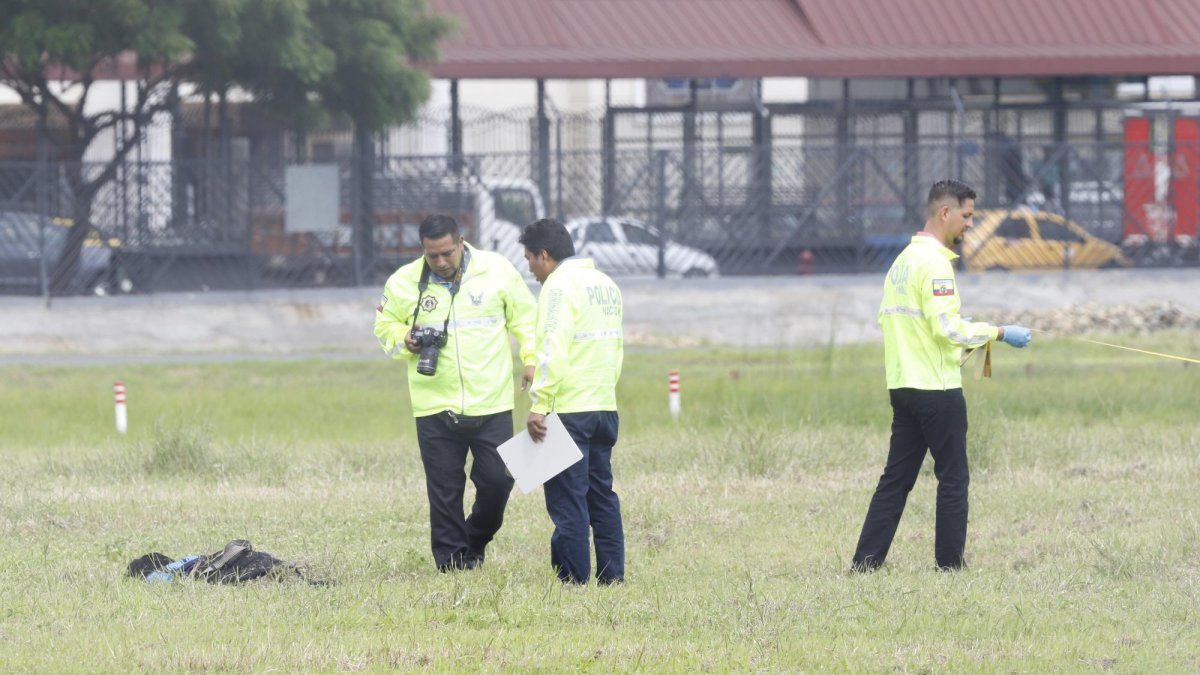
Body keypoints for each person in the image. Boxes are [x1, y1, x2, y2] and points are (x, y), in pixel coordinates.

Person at [852, 180, 1032, 572]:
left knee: (895, 480)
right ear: (945, 212)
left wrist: (962, 337)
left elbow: (906, 325)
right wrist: (998, 332)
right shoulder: (936, 265)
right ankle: (950, 565)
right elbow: (946, 329)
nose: (970, 223)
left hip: (903, 386)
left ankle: (865, 563)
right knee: (953, 479)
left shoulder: (902, 263)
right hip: (937, 390)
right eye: (966, 215)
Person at [374, 214, 537, 572]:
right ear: (423, 250)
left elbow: (526, 319)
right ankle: (452, 565)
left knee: (497, 482)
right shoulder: (403, 282)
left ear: (461, 242)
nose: (441, 261)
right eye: (432, 255)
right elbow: (383, 327)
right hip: (434, 403)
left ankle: (474, 541)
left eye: (447, 253)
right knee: (444, 490)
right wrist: (404, 339)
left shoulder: (496, 270)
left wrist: (531, 358)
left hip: (491, 401)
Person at [520, 218, 625, 585]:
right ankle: (612, 577)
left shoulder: (558, 286)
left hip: (568, 409)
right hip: (603, 406)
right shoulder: (605, 284)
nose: (530, 269)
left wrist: (540, 404)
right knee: (601, 496)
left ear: (544, 255)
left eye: (529, 260)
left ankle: (573, 581)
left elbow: (553, 346)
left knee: (568, 501)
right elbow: (615, 347)